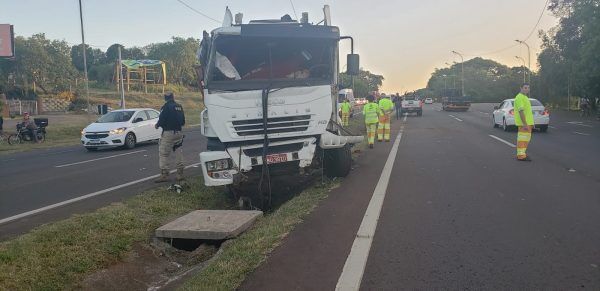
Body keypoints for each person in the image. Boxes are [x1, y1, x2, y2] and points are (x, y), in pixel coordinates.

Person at [155, 93, 186, 183]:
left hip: (168, 133)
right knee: (178, 152)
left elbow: (162, 119)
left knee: (163, 153)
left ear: (165, 99)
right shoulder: (179, 107)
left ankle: (164, 174)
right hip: (179, 132)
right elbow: (183, 121)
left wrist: (157, 125)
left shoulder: (165, 107)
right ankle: (180, 174)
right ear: (173, 97)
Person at [514, 83, 534, 161]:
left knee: (526, 139)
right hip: (524, 124)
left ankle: (522, 154)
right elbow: (521, 111)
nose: (527, 89)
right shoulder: (519, 97)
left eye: (528, 88)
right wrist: (525, 124)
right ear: (521, 88)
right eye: (525, 88)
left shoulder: (525, 97)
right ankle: (521, 155)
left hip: (528, 123)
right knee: (522, 139)